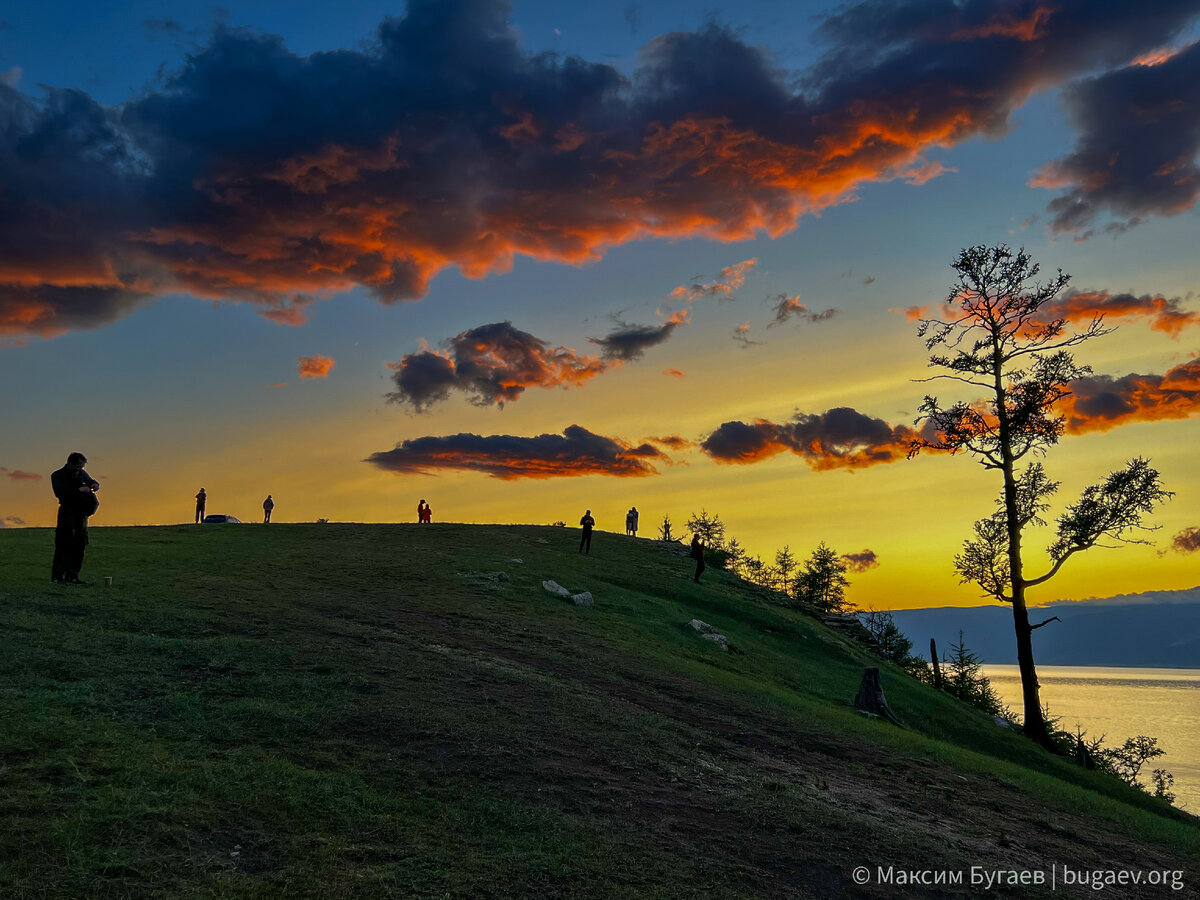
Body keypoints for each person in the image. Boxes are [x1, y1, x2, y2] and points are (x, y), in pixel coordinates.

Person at [51, 452, 100, 585]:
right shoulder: (57, 475)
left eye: (82, 466)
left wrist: (95, 485)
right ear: (70, 463)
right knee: (63, 544)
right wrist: (79, 491)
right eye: (78, 466)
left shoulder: (82, 474)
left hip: (81, 512)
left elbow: (91, 481)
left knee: (80, 544)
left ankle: (73, 576)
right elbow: (60, 493)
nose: (80, 469)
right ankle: (58, 576)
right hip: (66, 511)